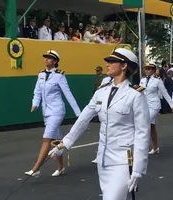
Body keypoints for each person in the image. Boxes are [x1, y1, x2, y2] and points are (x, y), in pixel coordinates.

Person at [49, 48, 150, 200]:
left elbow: (142, 133)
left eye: (112, 61)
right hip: (103, 159)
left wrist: (138, 169)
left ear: (124, 66)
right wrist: (64, 144)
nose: (107, 64)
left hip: (123, 161)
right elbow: (83, 119)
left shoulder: (135, 95)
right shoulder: (101, 92)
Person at [25, 50, 81, 177]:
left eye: (50, 58)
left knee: (46, 139)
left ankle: (36, 168)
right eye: (46, 57)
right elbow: (37, 92)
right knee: (56, 140)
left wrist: (79, 114)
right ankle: (60, 167)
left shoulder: (60, 76)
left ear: (55, 61)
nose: (46, 60)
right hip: (46, 111)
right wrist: (35, 103)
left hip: (57, 111)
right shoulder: (41, 75)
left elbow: (68, 95)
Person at [139, 62, 173, 154]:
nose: (147, 70)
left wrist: (172, 105)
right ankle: (155, 148)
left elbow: (164, 93)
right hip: (144, 105)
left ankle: (142, 147)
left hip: (154, 106)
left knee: (145, 122)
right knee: (152, 127)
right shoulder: (142, 80)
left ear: (154, 71)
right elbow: (140, 93)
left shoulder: (157, 81)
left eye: (149, 69)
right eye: (146, 69)